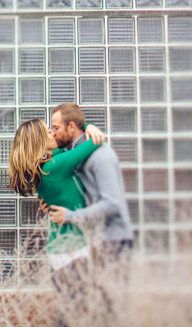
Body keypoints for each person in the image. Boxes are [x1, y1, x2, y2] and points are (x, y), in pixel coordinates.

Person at [7, 118, 105, 324]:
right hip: (72, 251)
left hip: (62, 250)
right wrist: (89, 127)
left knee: (70, 313)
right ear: (39, 141)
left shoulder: (43, 169)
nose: (52, 132)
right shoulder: (54, 167)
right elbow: (96, 141)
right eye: (47, 131)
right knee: (77, 315)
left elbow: (62, 150)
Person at [46, 103, 134, 315]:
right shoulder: (73, 152)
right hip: (93, 240)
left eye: (56, 127)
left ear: (72, 127)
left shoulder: (100, 156)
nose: (53, 131)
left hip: (114, 241)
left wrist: (71, 216)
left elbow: (113, 204)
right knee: (87, 307)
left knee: (108, 310)